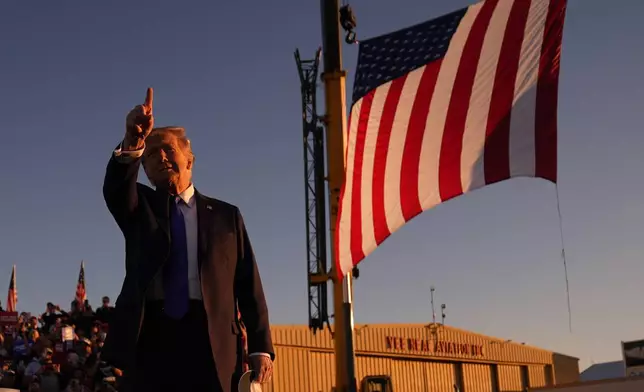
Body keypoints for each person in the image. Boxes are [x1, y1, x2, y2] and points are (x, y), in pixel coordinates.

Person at [101, 88, 274, 392]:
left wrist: (260, 346)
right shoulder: (138, 207)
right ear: (145, 172)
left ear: (189, 160)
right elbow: (116, 189)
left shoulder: (226, 216)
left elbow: (248, 284)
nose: (161, 157)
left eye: (168, 149)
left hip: (212, 339)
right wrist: (133, 142)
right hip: (152, 337)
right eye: (151, 155)